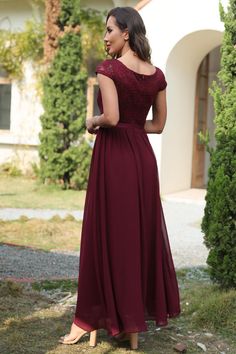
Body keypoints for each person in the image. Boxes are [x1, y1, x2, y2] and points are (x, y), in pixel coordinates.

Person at [59, 6, 180, 350]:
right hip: (141, 159)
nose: (105, 37)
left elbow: (110, 117)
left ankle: (88, 320)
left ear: (126, 32)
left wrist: (91, 122)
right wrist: (130, 125)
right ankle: (133, 328)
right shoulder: (156, 75)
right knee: (135, 238)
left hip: (114, 158)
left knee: (104, 235)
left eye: (109, 30)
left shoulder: (109, 69)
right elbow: (158, 125)